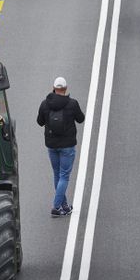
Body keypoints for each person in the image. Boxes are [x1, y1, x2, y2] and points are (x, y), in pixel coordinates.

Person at [38, 77, 85, 217]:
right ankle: (57, 206)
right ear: (65, 89)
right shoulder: (72, 104)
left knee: (57, 174)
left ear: (53, 88)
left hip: (52, 145)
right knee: (64, 176)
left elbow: (39, 122)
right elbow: (81, 119)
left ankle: (64, 206)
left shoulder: (45, 104)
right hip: (67, 146)